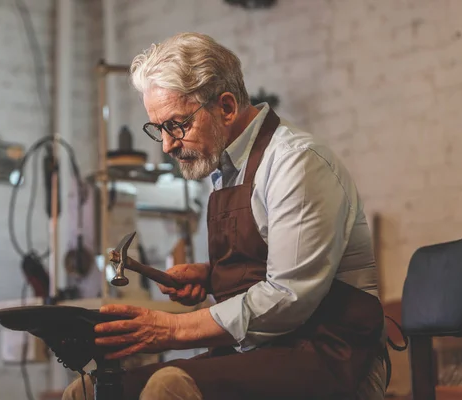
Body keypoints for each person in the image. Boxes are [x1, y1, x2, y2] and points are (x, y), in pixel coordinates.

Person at [63, 32, 388, 400]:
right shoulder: (225, 167)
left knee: (169, 387)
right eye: (159, 129)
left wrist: (172, 329)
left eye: (176, 125)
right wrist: (211, 276)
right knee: (86, 392)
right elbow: (263, 263)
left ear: (227, 107)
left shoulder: (296, 163)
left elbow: (288, 298)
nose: (167, 144)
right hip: (258, 351)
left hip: (328, 352)